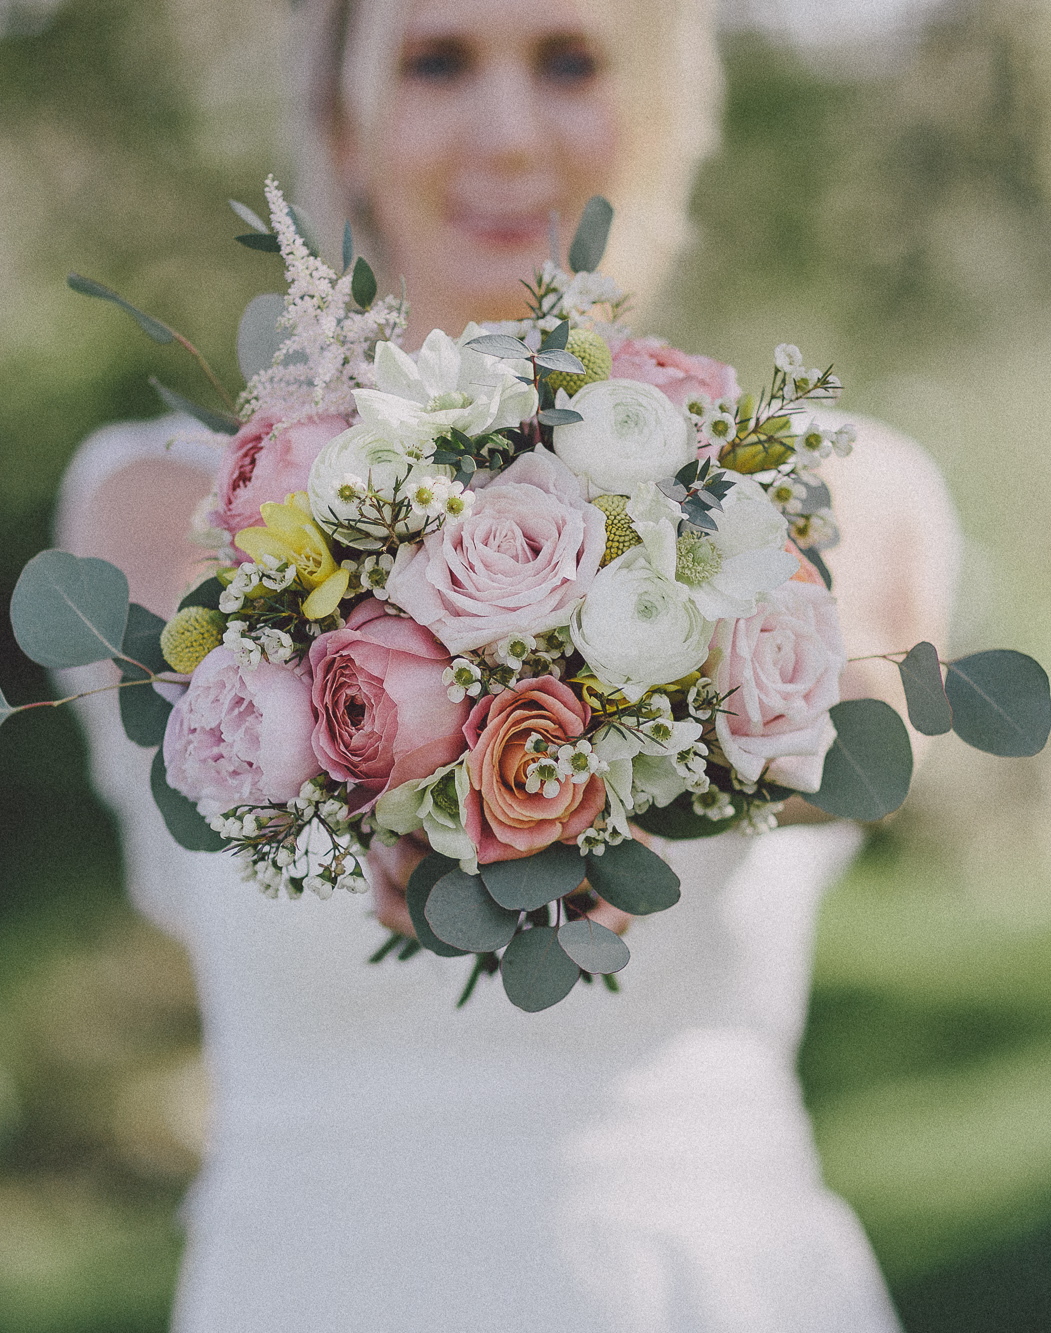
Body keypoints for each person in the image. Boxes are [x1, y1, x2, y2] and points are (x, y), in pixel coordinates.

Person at [54, 1, 959, 1328]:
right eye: (437, 61)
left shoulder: (833, 492)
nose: (507, 131)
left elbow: (853, 748)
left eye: (571, 60)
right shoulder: (164, 513)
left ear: (658, 105)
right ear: (343, 116)